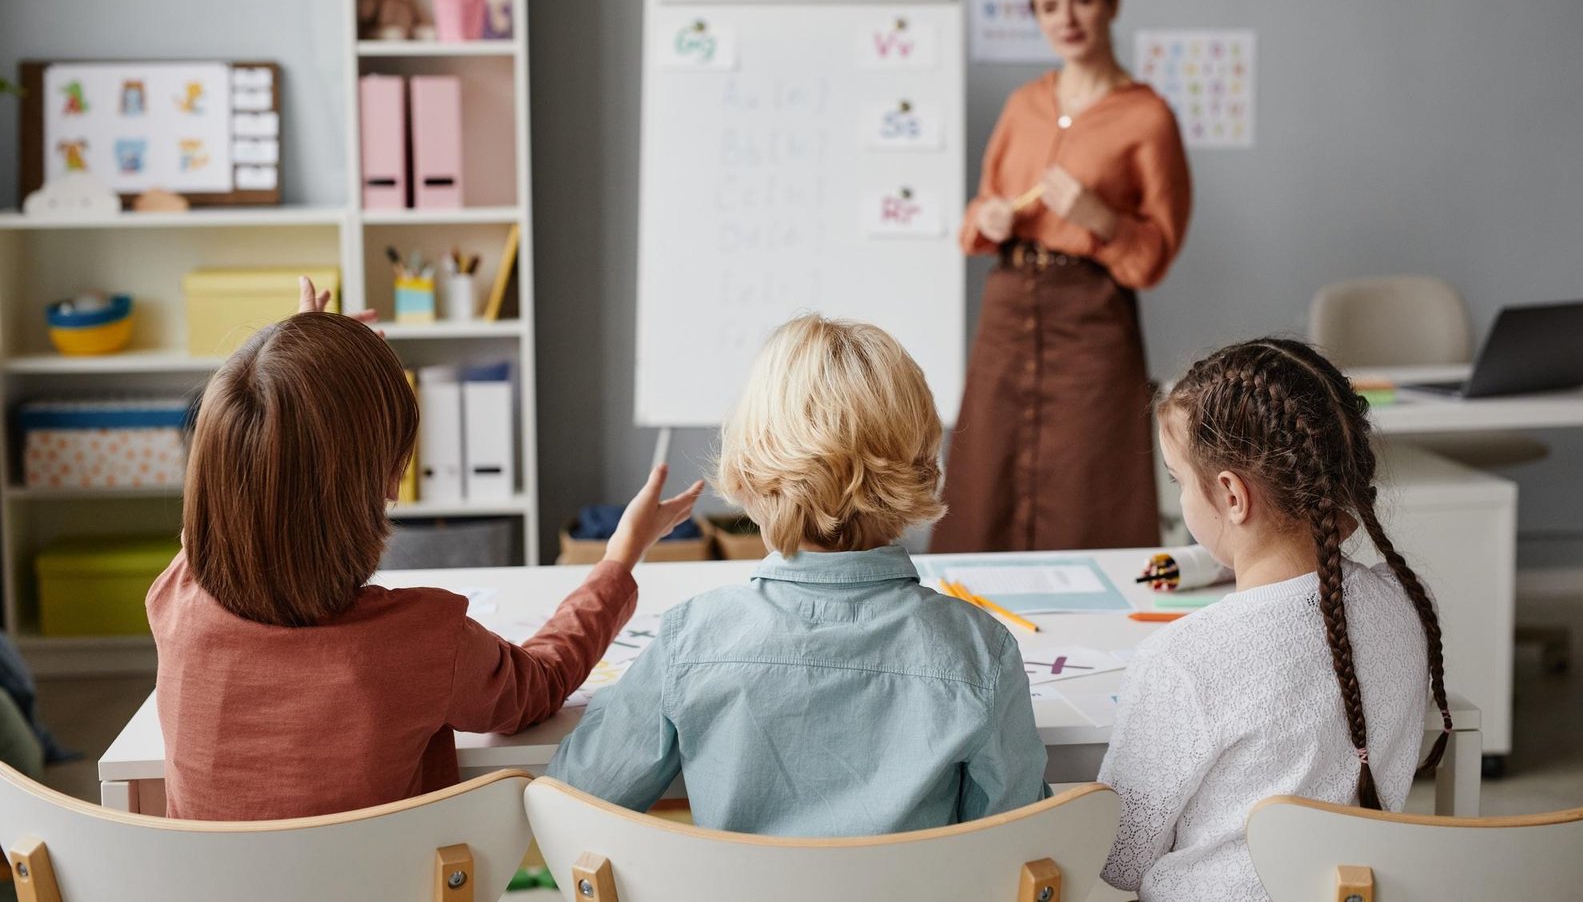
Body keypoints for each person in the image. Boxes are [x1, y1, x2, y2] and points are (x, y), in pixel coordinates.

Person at [147, 278, 702, 820]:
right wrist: (620, 556)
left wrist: (299, 357)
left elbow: (237, 474)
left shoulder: (176, 598)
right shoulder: (426, 641)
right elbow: (540, 685)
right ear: (391, 483)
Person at [548, 315, 1050, 835]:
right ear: (923, 464)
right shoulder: (979, 651)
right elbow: (1022, 846)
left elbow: (572, 800)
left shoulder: (691, 642)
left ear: (748, 468)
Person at [1097, 338, 1452, 901]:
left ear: (1232, 497)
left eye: (1178, 480)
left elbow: (1115, 856)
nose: (1182, 499)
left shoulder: (1184, 659)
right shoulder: (1406, 603)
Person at [933, 0, 1191, 554]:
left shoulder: (1148, 117)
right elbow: (974, 217)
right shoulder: (1023, 105)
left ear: (1111, 5)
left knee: (1091, 479)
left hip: (1093, 315)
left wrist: (1097, 217)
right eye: (1049, 6)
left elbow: (1154, 254)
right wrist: (988, 218)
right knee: (986, 470)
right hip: (1007, 306)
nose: (1066, 17)